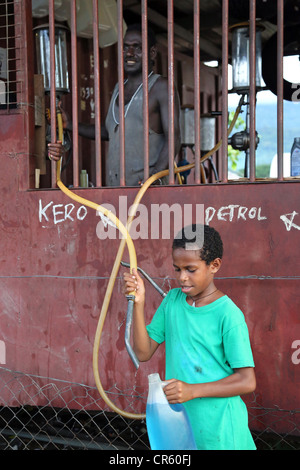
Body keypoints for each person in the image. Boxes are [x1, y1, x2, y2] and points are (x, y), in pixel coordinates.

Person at [123, 224, 256, 450]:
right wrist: (139, 303)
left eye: (190, 269)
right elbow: (143, 352)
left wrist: (193, 390)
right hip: (183, 425)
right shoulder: (173, 301)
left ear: (214, 265)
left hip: (221, 431)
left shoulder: (228, 314)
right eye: (177, 269)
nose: (182, 277)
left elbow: (247, 381)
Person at [48, 23, 181, 186]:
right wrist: (70, 125)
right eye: (125, 48)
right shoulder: (119, 88)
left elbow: (173, 139)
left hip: (150, 193)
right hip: (117, 190)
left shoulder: (161, 87)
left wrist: (154, 179)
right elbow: (109, 131)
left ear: (152, 53)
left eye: (137, 48)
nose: (129, 53)